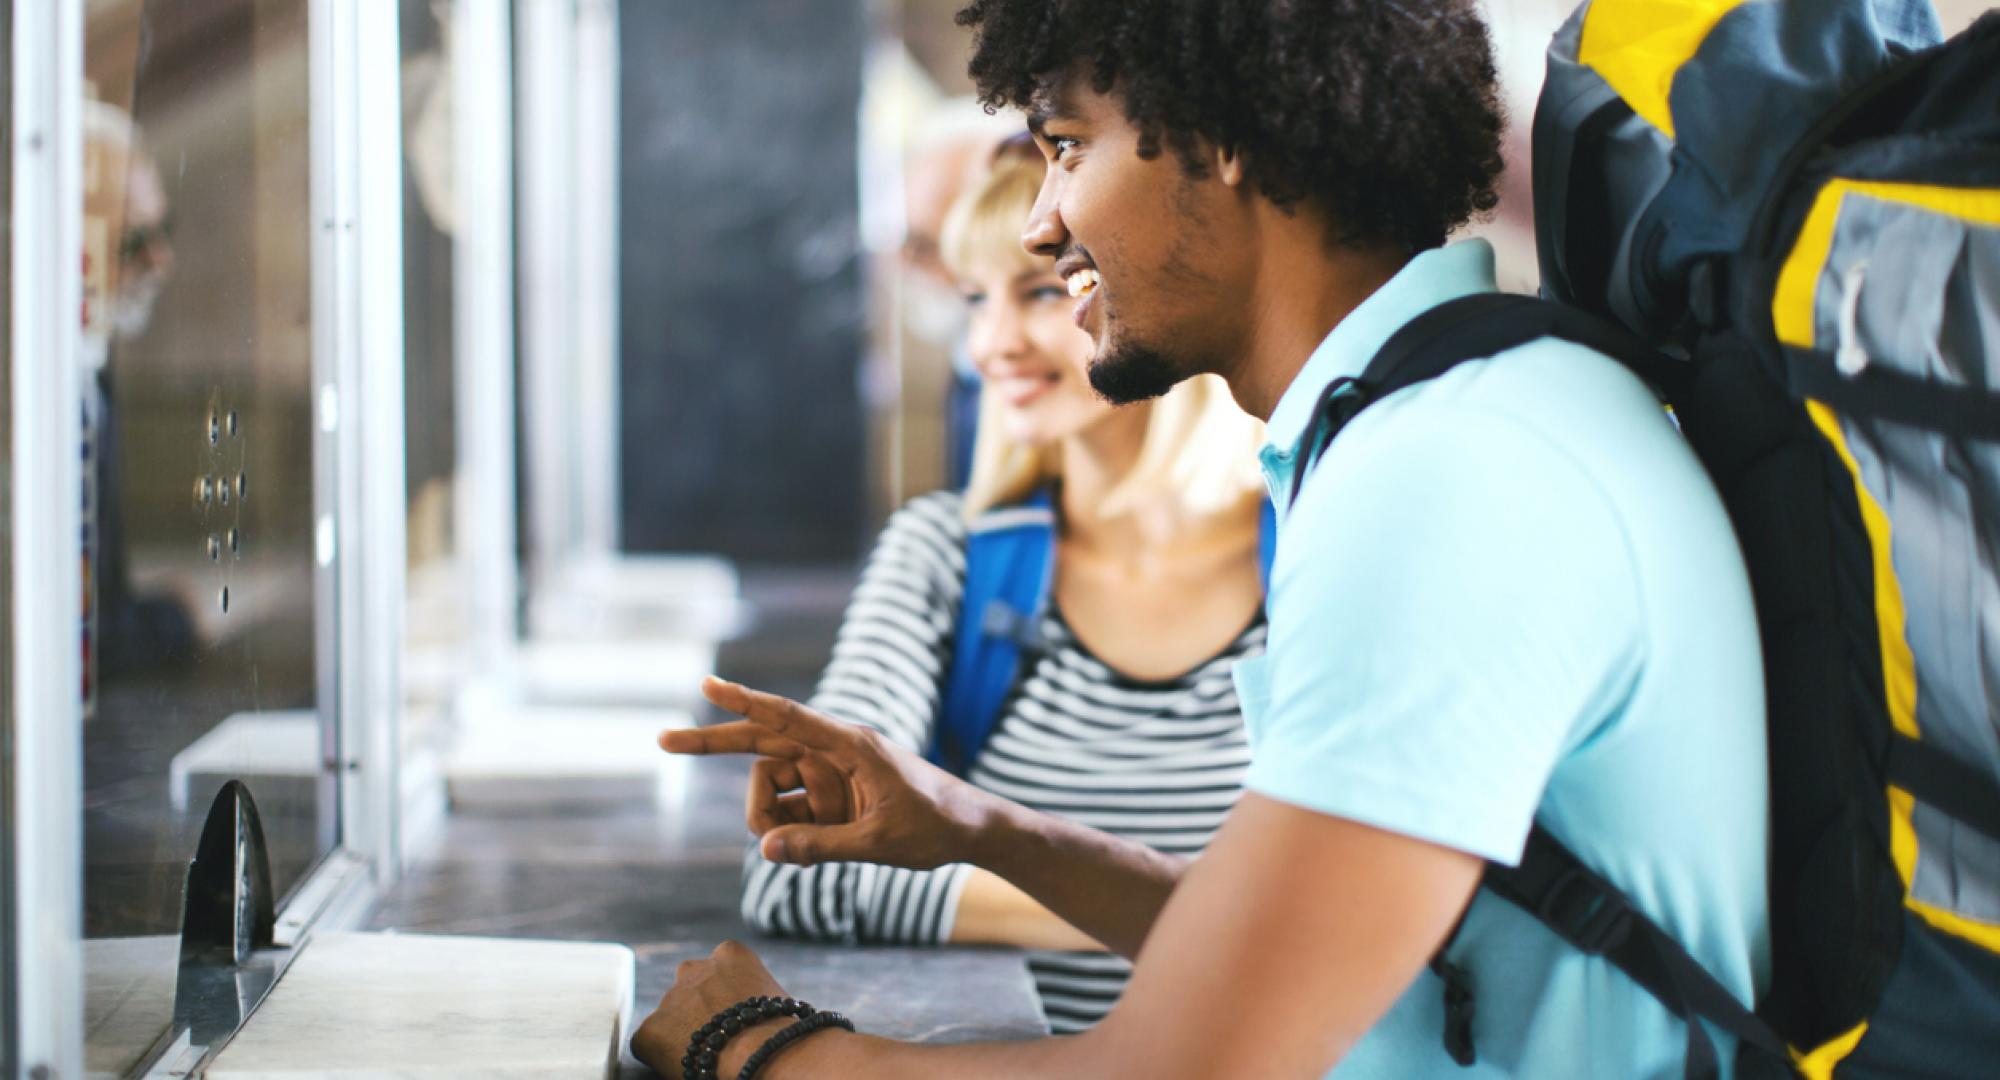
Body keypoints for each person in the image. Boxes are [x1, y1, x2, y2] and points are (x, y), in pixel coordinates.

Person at [636, 2, 1768, 1077]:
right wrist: (979, 828)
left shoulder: (1443, 476)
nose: (1041, 223)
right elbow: (1300, 964)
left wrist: (755, 1047)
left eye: (1068, 146)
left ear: (1219, 137)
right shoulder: (1440, 421)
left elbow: (1186, 1065)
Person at [738, 145, 1270, 1035]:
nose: (991, 345)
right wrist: (1193, 916)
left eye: (1038, 291)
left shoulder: (1317, 556)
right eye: (974, 301)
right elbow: (800, 862)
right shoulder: (944, 556)